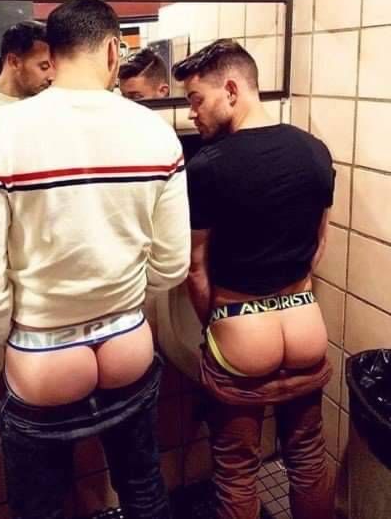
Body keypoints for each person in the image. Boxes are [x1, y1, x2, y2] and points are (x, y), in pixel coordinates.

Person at [0, 0, 190, 519]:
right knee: (144, 490)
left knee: (41, 508)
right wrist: (124, 299)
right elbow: (173, 262)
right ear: (112, 50)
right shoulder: (155, 131)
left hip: (43, 358)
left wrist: (16, 334)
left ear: (52, 52)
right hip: (127, 342)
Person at [172, 39, 335, 519]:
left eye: (196, 100)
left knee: (237, 471)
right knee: (308, 459)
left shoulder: (206, 168)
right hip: (305, 326)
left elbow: (196, 268)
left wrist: (216, 324)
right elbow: (318, 246)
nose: (192, 114)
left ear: (230, 89)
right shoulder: (314, 150)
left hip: (242, 335)